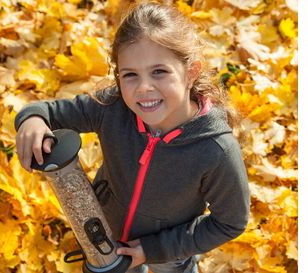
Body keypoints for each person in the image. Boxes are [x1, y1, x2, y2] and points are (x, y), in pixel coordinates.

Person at [14, 2, 249, 272]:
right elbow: (49, 112)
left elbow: (230, 222)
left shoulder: (216, 150)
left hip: (168, 251)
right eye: (130, 75)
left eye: (159, 71)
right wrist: (32, 119)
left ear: (190, 72)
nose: (144, 88)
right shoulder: (112, 107)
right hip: (107, 234)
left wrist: (155, 249)